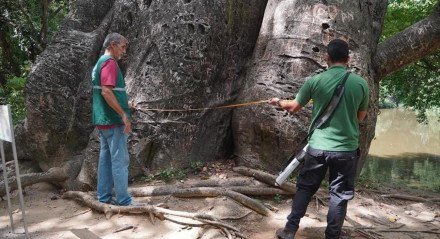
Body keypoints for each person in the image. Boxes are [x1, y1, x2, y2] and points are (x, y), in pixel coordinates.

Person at [269, 39, 369, 239]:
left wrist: (278, 101)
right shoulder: (361, 84)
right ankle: (333, 235)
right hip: (346, 150)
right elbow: (360, 118)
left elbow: (294, 107)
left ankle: (289, 230)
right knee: (339, 195)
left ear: (327, 58)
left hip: (317, 148)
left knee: (305, 188)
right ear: (348, 59)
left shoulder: (315, 81)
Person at [91, 32, 134, 206]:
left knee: (106, 161)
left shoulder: (99, 63)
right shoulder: (109, 63)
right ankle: (124, 200)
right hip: (114, 121)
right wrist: (123, 114)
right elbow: (106, 92)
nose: (124, 51)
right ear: (112, 45)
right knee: (120, 161)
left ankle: (104, 197)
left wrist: (126, 104)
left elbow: (109, 92)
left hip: (103, 121)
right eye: (122, 47)